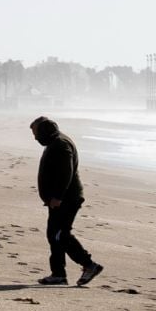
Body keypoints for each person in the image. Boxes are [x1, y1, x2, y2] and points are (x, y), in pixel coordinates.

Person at [30, 116, 104, 286]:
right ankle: (58, 274)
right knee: (54, 235)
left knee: (60, 235)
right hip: (60, 199)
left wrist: (58, 197)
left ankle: (89, 265)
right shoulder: (55, 142)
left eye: (35, 133)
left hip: (66, 199)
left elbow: (66, 173)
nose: (35, 138)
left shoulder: (61, 144)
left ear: (44, 130)